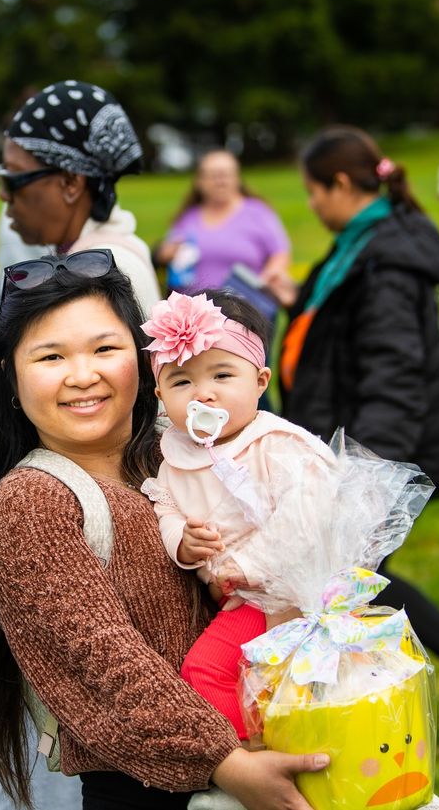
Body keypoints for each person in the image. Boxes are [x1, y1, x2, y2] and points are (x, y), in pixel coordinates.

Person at [0, 250, 329, 810]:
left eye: (105, 348)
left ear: (144, 362)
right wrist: (230, 765)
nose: (82, 374)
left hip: (276, 740)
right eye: (50, 356)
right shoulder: (33, 503)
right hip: (155, 789)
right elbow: (109, 670)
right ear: (11, 376)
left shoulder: (178, 454)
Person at [278, 126, 439, 742]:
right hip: (343, 438)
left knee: (347, 575)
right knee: (347, 577)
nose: (310, 204)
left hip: (370, 447)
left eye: (313, 191)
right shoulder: (363, 244)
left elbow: (395, 366)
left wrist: (363, 467)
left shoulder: (386, 254)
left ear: (340, 184)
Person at [139, 290, 336, 742]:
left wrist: (246, 565)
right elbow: (165, 505)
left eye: (223, 375)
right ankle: (265, 742)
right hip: (235, 595)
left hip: (281, 596)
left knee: (209, 670)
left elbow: (306, 513)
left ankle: (258, 751)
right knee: (249, 679)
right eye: (181, 382)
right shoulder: (174, 456)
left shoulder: (276, 443)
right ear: (160, 394)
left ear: (261, 381)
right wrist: (182, 542)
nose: (203, 393)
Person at [0, 81, 160, 314]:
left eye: (14, 179)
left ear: (71, 183)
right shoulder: (98, 258)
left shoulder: (102, 273)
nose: (3, 194)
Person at [153, 151, 295, 306]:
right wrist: (166, 253)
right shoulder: (187, 217)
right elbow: (168, 252)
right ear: (199, 181)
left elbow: (280, 253)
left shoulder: (258, 213)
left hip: (244, 313)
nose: (220, 181)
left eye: (226, 174)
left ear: (237, 178)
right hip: (191, 315)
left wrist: (266, 280)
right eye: (213, 175)